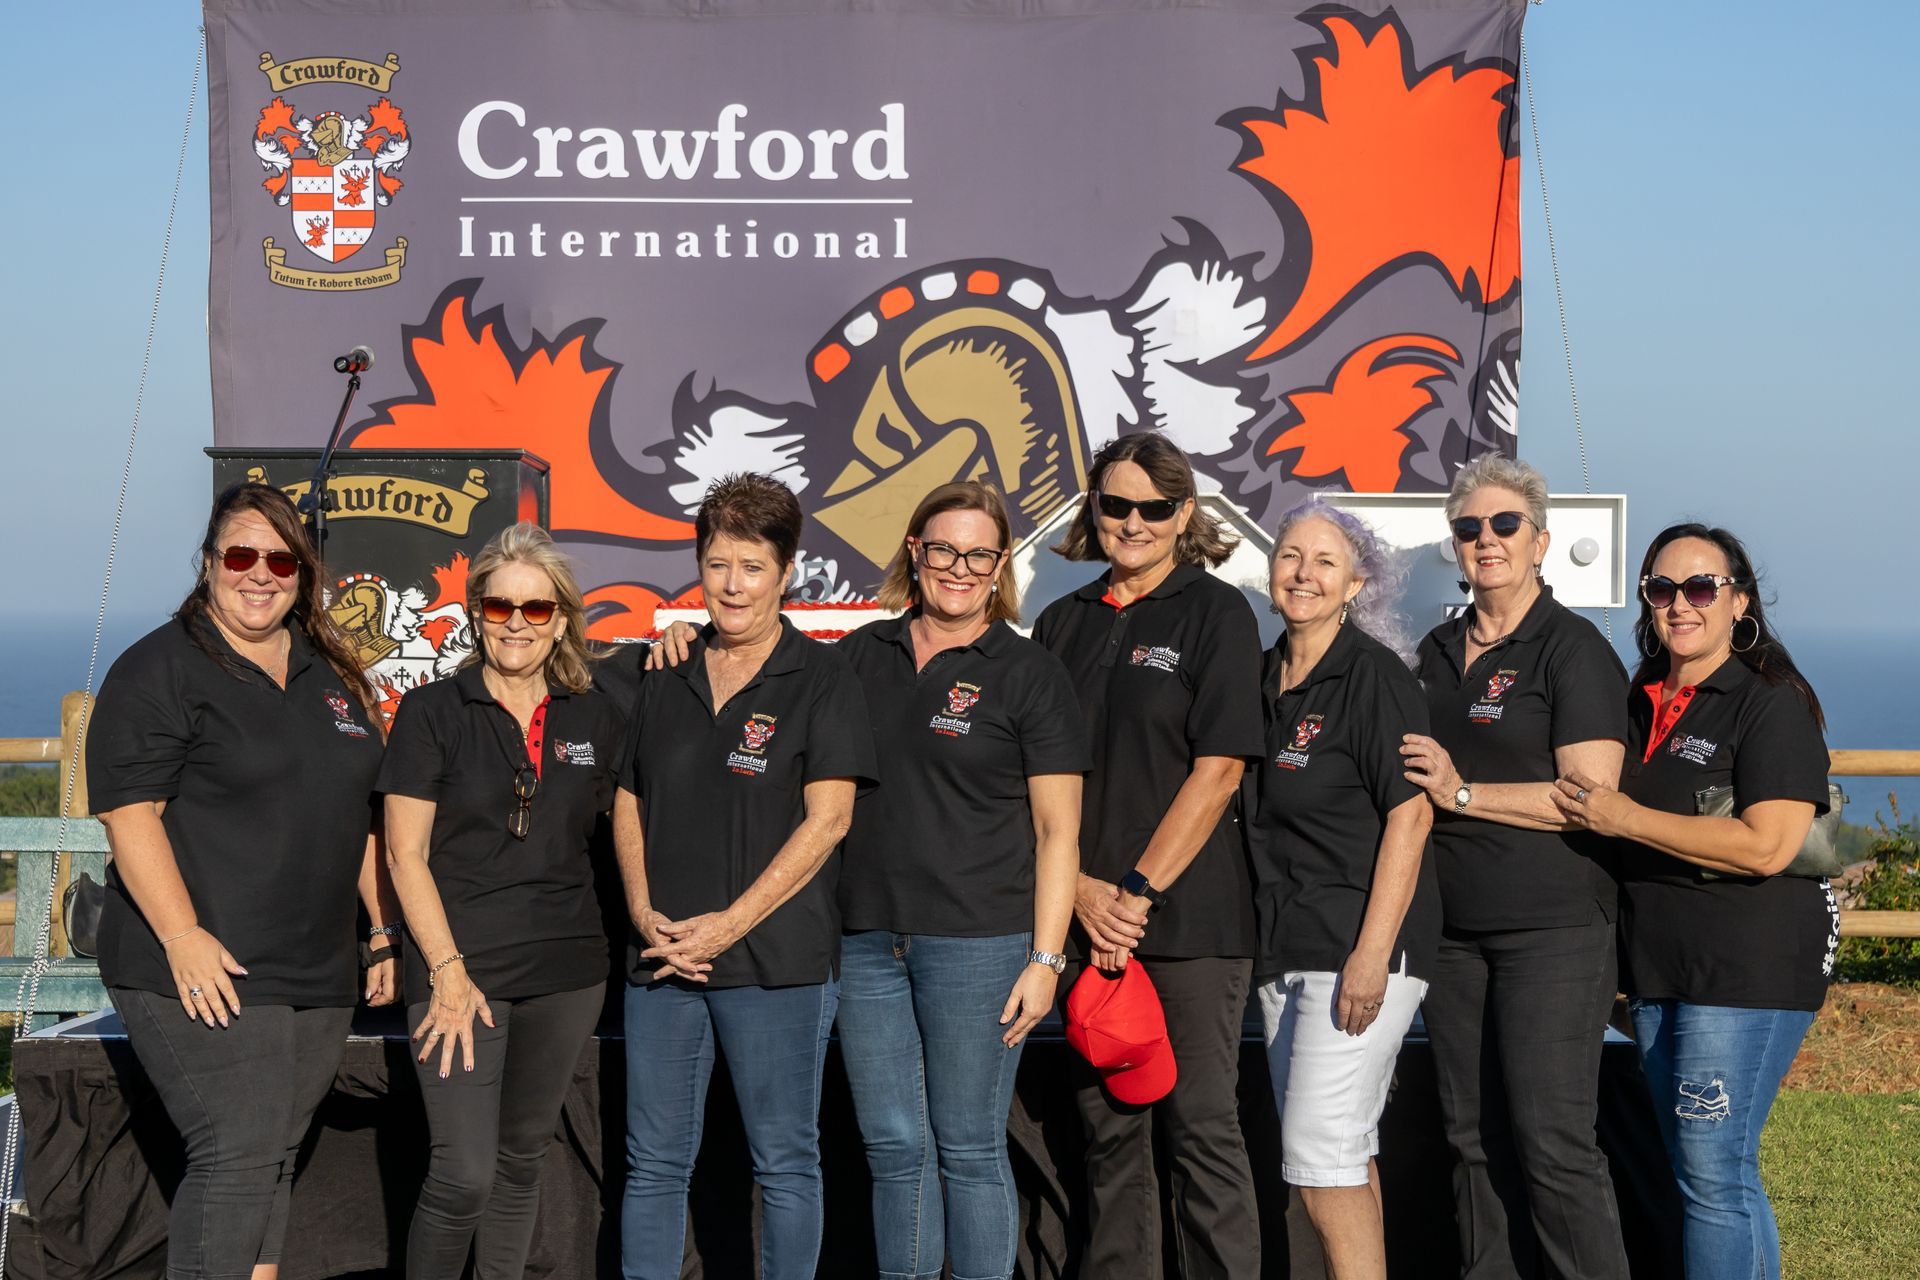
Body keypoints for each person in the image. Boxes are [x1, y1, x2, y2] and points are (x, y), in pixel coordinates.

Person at [88, 482, 399, 1280]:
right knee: (238, 1148)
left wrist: (382, 928)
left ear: (303, 571)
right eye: (239, 554)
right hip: (202, 965)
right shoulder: (159, 667)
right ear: (208, 562)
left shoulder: (329, 670)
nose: (259, 573)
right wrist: (183, 938)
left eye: (279, 558)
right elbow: (130, 817)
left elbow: (358, 813)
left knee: (273, 1157)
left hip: (315, 970)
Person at [614, 473, 877, 1280]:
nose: (733, 585)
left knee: (786, 1163)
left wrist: (727, 925)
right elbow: (628, 797)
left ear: (787, 570)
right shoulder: (660, 670)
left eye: (752, 566)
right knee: (653, 1165)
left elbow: (829, 820)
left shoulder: (824, 678)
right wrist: (643, 910)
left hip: (776, 964)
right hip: (662, 961)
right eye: (717, 563)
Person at [1553, 524, 1832, 1280]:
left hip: (1743, 970)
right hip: (1658, 972)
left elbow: (1769, 844)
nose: (1681, 605)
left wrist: (1625, 818)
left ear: (1738, 599)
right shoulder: (1638, 699)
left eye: (1701, 588)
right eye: (1661, 589)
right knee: (1709, 1172)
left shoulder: (1768, 703)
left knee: (1713, 1175)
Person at [1031, 431, 1265, 1280]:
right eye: (1116, 503)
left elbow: (1220, 770)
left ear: (1185, 515)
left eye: (1154, 508)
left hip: (1190, 922)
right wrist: (1085, 894)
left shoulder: (1216, 613)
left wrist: (1131, 892)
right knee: (1110, 1140)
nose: (1133, 522)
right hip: (1087, 920)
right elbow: (1031, 782)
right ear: (1092, 509)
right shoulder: (1060, 623)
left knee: (1202, 1130)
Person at [1397, 452, 1632, 1279]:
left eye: (1505, 525)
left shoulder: (1572, 650)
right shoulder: (1432, 649)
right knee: (1469, 1140)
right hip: (1451, 935)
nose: (1486, 540)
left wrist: (1464, 796)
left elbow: (1591, 794)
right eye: (1469, 528)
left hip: (1554, 931)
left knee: (1552, 1141)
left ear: (1540, 542)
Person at [379, 522, 625, 1279]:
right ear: (476, 612)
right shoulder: (432, 713)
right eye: (498, 606)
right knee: (462, 1175)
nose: (516, 623)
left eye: (537, 609)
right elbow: (403, 854)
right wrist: (447, 972)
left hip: (568, 971)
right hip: (462, 974)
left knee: (521, 1162)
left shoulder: (596, 712)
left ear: (562, 622)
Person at [1245, 498, 1438, 1280]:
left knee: (1320, 1164)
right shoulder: (1263, 678)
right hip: (1282, 949)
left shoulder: (1373, 677)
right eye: (1292, 555)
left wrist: (1372, 955)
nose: (1305, 574)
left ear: (1357, 582)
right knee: (1340, 1157)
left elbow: (1412, 818)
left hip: (1356, 956)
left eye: (1326, 562)